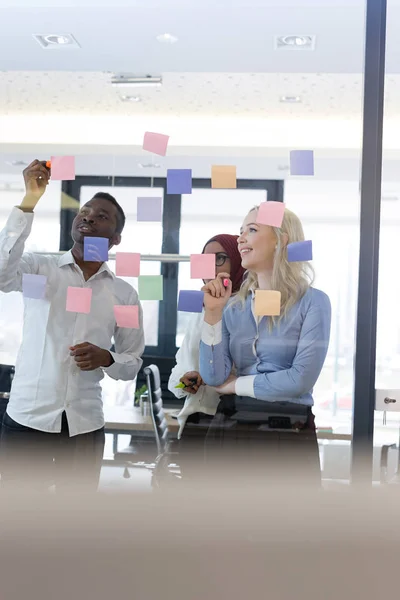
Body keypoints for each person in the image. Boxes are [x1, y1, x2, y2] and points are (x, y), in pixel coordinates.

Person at [0, 160, 145, 492]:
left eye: (102, 216)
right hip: (28, 419)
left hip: (83, 425)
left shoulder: (123, 295)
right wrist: (29, 200)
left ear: (116, 238)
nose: (89, 216)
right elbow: (1, 274)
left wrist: (106, 358)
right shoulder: (42, 271)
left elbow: (130, 363)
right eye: (85, 211)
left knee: (74, 522)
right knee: (20, 519)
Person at [199, 205, 331, 486]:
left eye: (252, 230)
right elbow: (213, 376)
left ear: (281, 240)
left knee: (284, 527)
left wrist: (235, 385)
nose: (240, 239)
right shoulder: (232, 306)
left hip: (287, 430)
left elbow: (300, 380)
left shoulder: (313, 302)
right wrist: (211, 315)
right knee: (226, 525)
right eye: (241, 232)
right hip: (232, 426)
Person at [168, 234, 245, 478]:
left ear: (238, 261)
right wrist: (186, 381)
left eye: (220, 258)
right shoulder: (199, 312)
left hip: (232, 425)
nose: (211, 266)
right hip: (195, 424)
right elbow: (176, 376)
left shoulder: (250, 312)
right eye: (205, 259)